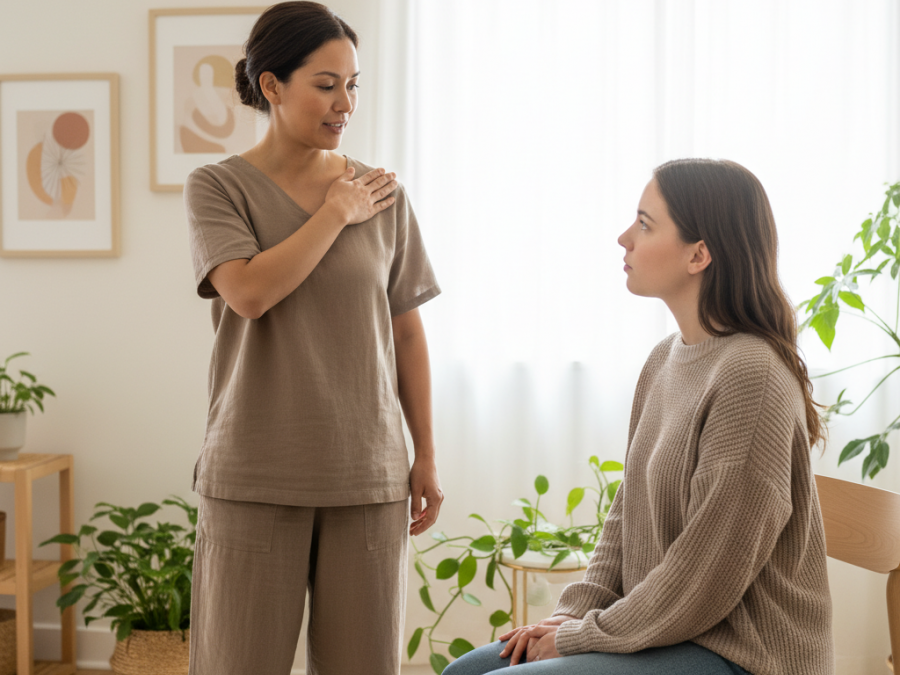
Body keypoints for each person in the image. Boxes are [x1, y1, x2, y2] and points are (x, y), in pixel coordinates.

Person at [446, 159, 833, 675]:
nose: (624, 238)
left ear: (699, 254)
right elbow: (626, 517)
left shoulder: (750, 374)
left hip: (741, 651)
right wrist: (569, 615)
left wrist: (583, 636)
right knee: (467, 672)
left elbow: (705, 576)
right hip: (668, 631)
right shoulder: (664, 359)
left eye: (645, 224)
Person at [182, 3, 443, 674]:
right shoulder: (218, 187)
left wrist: (426, 455)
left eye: (353, 84)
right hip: (253, 471)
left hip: (368, 475)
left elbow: (407, 332)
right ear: (272, 85)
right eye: (327, 84)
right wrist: (333, 213)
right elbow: (250, 292)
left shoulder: (382, 194)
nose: (345, 103)